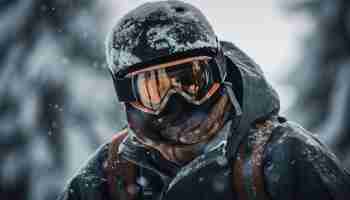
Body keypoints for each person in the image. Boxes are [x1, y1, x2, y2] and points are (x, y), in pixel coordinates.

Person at [58, 1, 350, 200]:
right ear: (129, 97)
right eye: (155, 90)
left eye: (191, 80)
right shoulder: (110, 176)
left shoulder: (284, 158)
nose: (177, 101)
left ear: (219, 74)